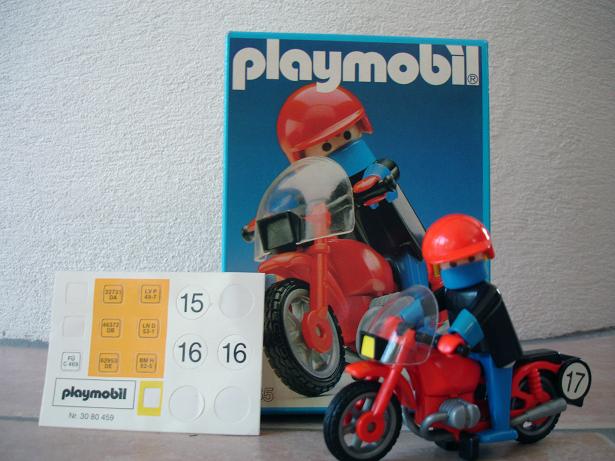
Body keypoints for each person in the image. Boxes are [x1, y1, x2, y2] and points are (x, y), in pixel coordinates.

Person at [275, 83, 429, 288]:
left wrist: (374, 180)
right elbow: (297, 206)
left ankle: (419, 299)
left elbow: (385, 168)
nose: (341, 147)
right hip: (346, 252)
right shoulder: (318, 192)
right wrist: (271, 218)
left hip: (391, 240)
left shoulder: (371, 169)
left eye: (346, 135)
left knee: (407, 265)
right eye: (326, 146)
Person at [422, 213, 523, 443]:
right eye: (452, 263)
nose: (459, 268)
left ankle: (500, 426)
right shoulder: (448, 291)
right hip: (465, 349)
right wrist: (404, 316)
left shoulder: (488, 293)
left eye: (468, 259)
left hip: (495, 350)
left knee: (496, 383)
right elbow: (427, 304)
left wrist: (456, 334)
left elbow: (474, 315)